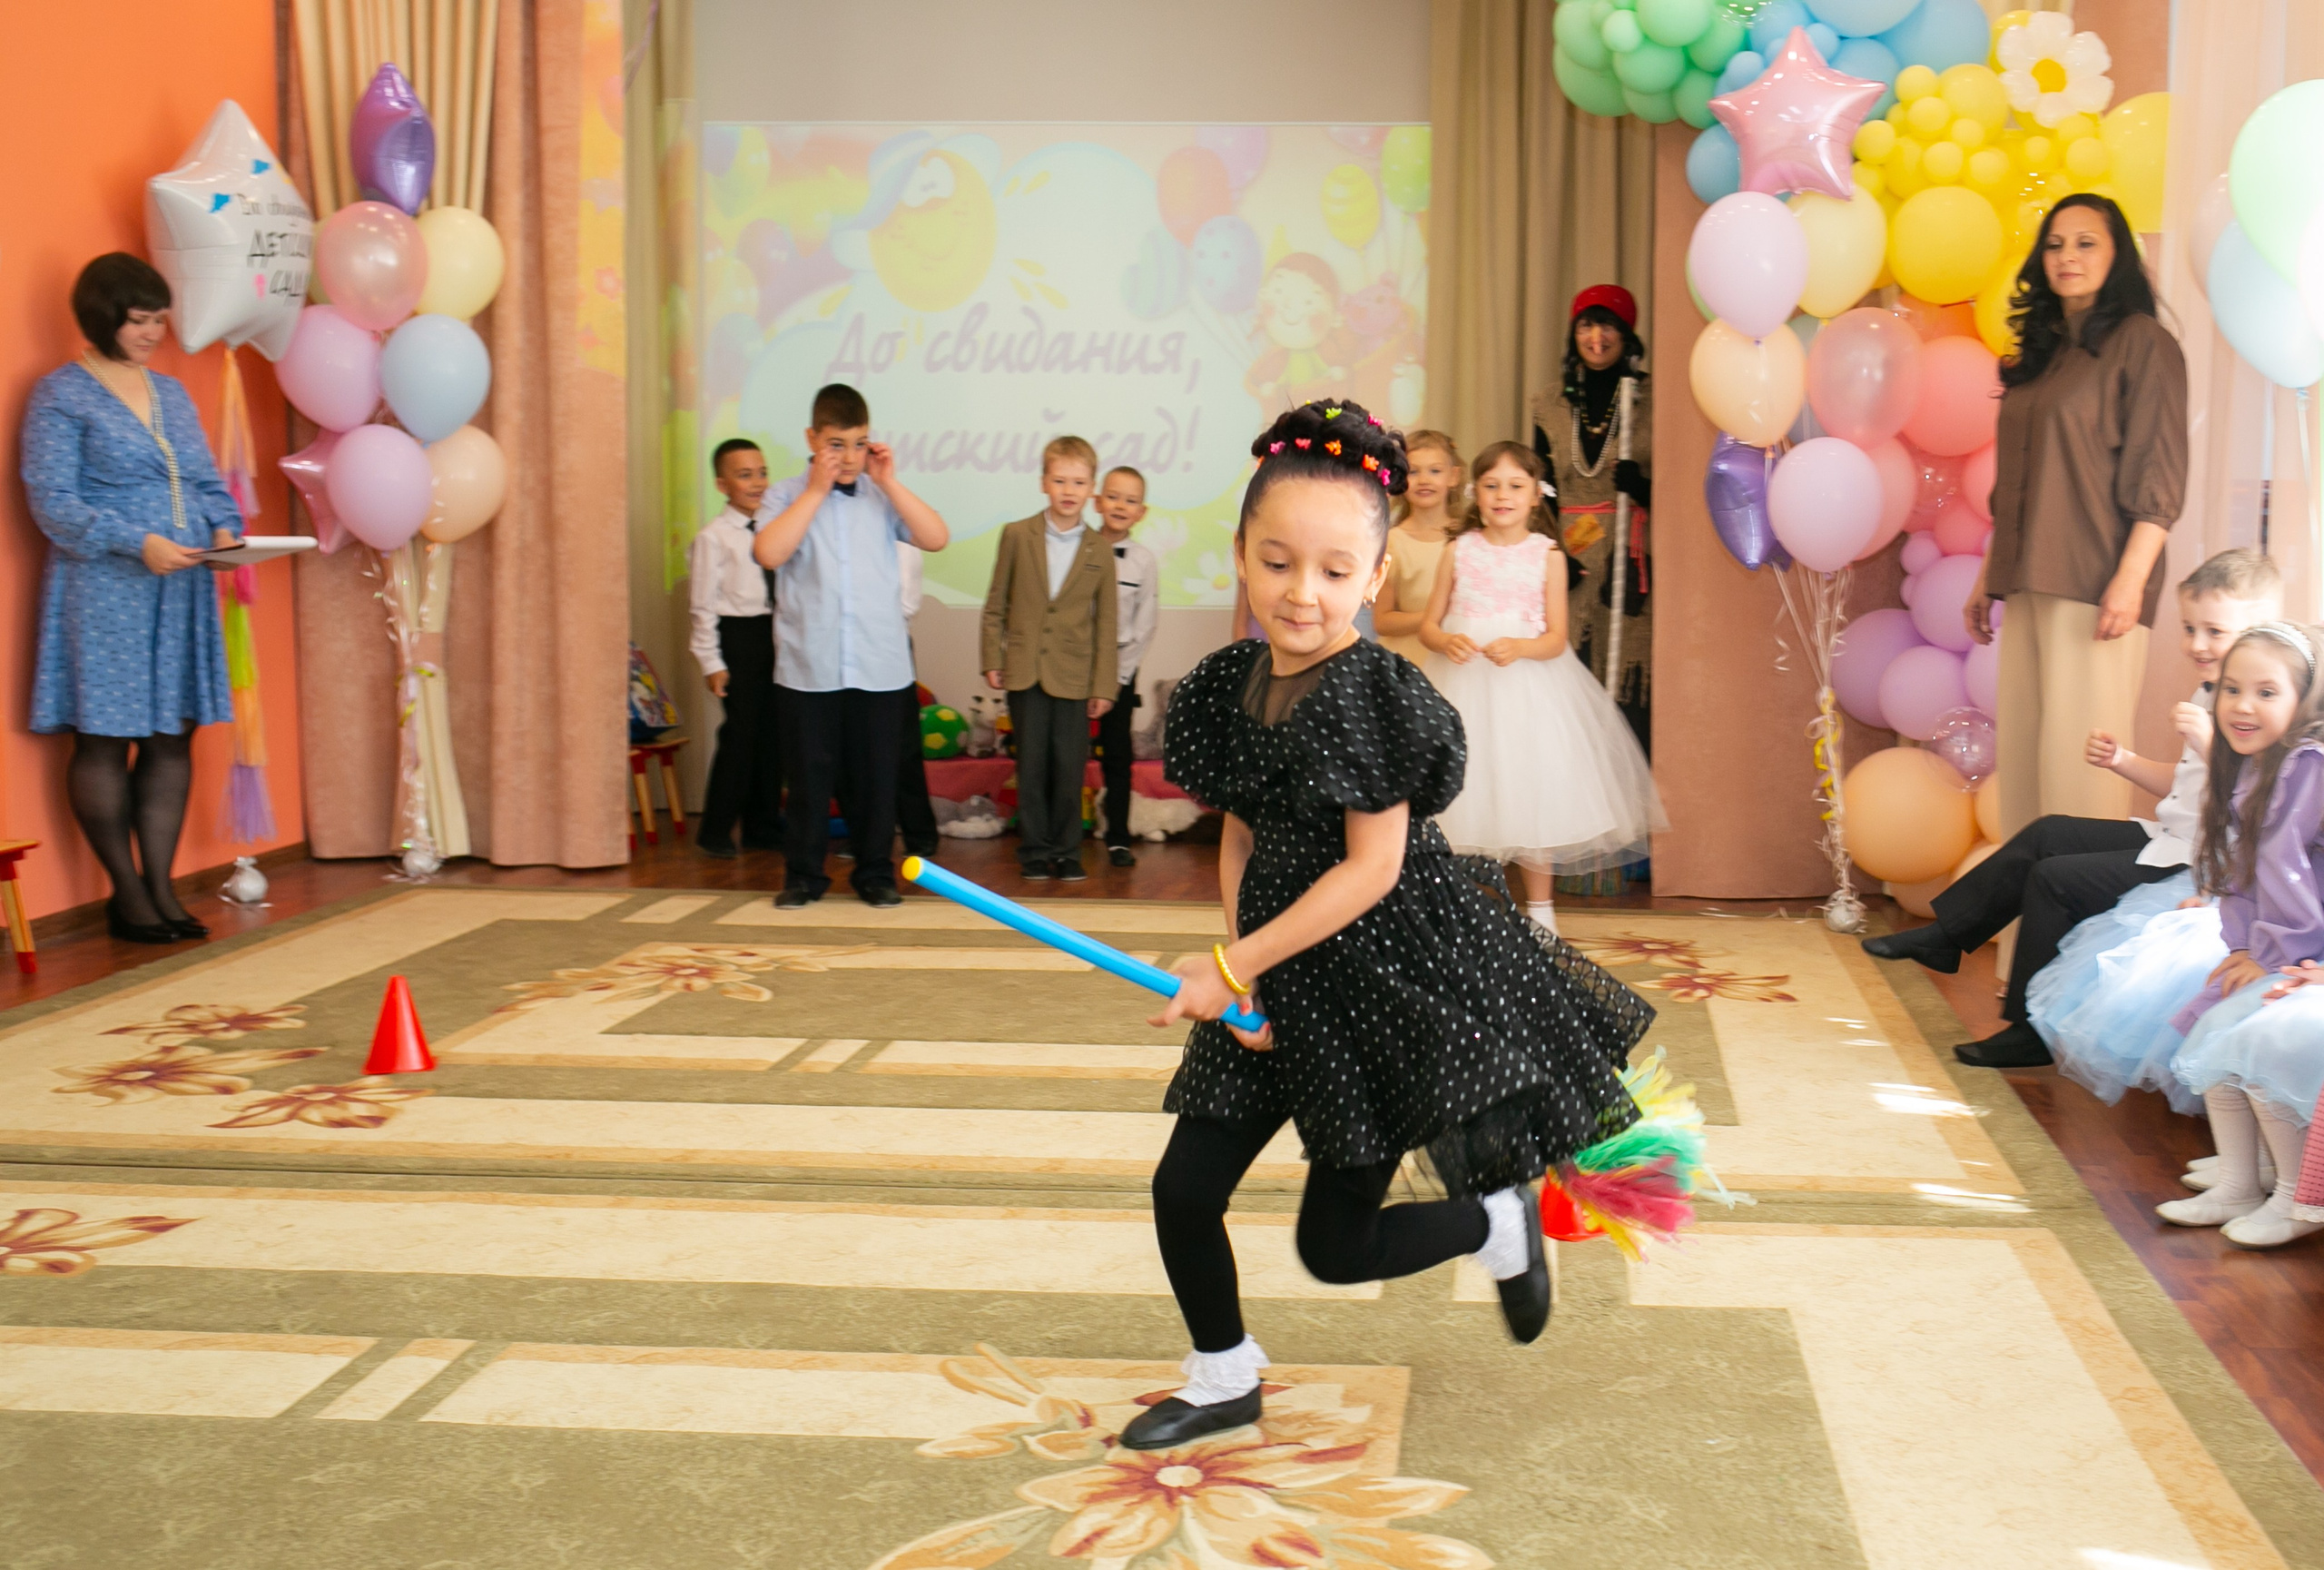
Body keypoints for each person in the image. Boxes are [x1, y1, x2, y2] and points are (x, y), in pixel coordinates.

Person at [1133, 400, 1656, 1451]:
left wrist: (1237, 958)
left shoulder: (1379, 693)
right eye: (1277, 563)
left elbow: (1372, 871)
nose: (1302, 592)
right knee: (1183, 1189)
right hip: (1271, 968)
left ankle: (1494, 1221)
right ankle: (1224, 1372)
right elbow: (1241, 837)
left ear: (1375, 579)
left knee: (1335, 1246)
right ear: (1241, 557)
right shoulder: (1227, 689)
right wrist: (1244, 978)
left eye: (1334, 571)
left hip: (1376, 977)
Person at [1867, 549, 2282, 1068]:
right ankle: (1948, 935)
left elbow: (2259, 803)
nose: (2197, 644)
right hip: (2173, 835)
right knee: (2048, 834)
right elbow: (2187, 786)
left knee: (2054, 878)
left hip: (2206, 862)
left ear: (2261, 629)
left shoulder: (2263, 703)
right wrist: (2124, 762)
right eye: (2190, 628)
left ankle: (2030, 1030)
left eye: (2214, 632)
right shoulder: (2209, 693)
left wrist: (2213, 747)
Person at [22, 253, 242, 943]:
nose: (153, 332)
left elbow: (205, 481)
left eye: (159, 319)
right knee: (105, 736)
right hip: (107, 586)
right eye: (139, 319)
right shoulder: (60, 394)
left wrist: (225, 524)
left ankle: (161, 888)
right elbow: (53, 501)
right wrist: (134, 540)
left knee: (172, 736)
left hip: (179, 587)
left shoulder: (172, 393)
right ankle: (126, 894)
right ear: (102, 317)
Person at [1970, 193, 2189, 842]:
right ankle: (2022, 945)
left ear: (2118, 253)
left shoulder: (2145, 345)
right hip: (2029, 580)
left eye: (2086, 242)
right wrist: (1989, 574)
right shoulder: (2040, 356)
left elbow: (2160, 473)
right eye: (2056, 243)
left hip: (2097, 587)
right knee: (2029, 785)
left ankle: (2078, 943)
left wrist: (2129, 578)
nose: (2068, 256)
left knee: (2079, 783)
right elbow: (2016, 480)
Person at [1420, 442, 1666, 934]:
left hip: (1528, 691)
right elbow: (1428, 626)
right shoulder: (1458, 550)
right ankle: (1460, 906)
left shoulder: (1548, 556)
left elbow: (1556, 638)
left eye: (1515, 486)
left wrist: (1519, 647)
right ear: (1475, 492)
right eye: (1491, 486)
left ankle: (1540, 912)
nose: (1502, 496)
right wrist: (1447, 640)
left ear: (1536, 496)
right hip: (1462, 688)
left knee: (1531, 791)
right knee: (1464, 794)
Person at [2152, 623, 2324, 1249]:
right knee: (2212, 1035)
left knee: (2255, 1042)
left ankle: (2292, 1196)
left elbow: (2292, 871)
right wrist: (2245, 947)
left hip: (2313, 956)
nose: (2243, 706)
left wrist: (2293, 959)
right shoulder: (2252, 768)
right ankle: (2242, 1179)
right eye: (2231, 689)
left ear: (2303, 702)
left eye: (2266, 692)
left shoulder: (2311, 768)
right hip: (2282, 949)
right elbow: (2246, 874)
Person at [753, 382, 949, 909]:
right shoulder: (785, 495)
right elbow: (769, 552)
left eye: (859, 443)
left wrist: (890, 481)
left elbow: (935, 536)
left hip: (879, 665)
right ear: (812, 439)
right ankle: (803, 876)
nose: (848, 456)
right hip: (808, 666)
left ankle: (874, 872)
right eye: (836, 443)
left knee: (876, 779)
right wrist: (815, 492)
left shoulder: (881, 497)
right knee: (810, 781)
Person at [980, 436, 1117, 881]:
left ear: (1091, 488)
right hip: (1025, 670)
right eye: (1059, 480)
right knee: (1031, 763)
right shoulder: (1018, 535)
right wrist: (991, 656)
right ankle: (1035, 850)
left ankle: (1068, 850)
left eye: (1078, 482)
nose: (1068, 490)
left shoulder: (1099, 549)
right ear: (1044, 483)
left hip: (1075, 675)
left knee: (1069, 765)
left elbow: (1106, 623)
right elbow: (996, 601)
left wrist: (1103, 686)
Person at [1531, 285, 1652, 746]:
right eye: (1587, 324)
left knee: (1626, 682)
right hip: (1571, 555)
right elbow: (1541, 487)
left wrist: (1642, 487)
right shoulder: (1549, 404)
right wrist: (1555, 553)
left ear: (1626, 334)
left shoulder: (1651, 399)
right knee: (1570, 679)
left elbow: (1680, 485)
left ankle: (1627, 811)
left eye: (1608, 325)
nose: (1597, 336)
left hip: (1629, 553)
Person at [688, 439, 783, 859]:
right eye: (744, 475)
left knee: (772, 738)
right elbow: (702, 605)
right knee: (741, 737)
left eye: (761, 472)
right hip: (739, 637)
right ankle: (715, 830)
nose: (757, 482)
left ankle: (763, 827)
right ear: (722, 484)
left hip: (776, 635)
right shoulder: (714, 537)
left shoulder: (776, 526)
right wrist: (711, 660)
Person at [1094, 466, 1157, 868]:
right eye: (1113, 497)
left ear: (1141, 512)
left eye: (1130, 500)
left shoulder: (1143, 561)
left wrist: (1117, 679)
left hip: (1119, 667)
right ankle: (1060, 838)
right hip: (1072, 665)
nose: (1120, 506)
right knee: (1063, 755)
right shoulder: (1077, 547)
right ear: (1098, 502)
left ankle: (1118, 838)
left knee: (1117, 756)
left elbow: (1144, 624)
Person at [1372, 429, 1460, 671]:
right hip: (1408, 664)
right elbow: (1382, 621)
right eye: (1413, 472)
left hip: (1458, 662)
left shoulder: (1470, 537)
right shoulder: (1392, 543)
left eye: (1435, 471)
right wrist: (1435, 619)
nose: (1424, 480)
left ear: (1453, 477)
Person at [893, 540, 940, 861]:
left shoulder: (903, 546)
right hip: (841, 647)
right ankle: (863, 834)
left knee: (903, 746)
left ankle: (920, 834)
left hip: (890, 643)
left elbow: (907, 606)